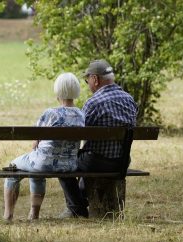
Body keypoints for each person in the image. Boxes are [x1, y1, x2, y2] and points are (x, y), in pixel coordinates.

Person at [58, 59, 138, 218]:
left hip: (97, 162)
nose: (88, 84)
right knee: (84, 157)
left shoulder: (93, 103)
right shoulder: (129, 99)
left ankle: (77, 208)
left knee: (62, 162)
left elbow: (78, 133)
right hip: (121, 162)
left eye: (87, 80)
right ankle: (82, 201)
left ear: (95, 79)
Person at [3, 73, 85, 221]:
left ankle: (8, 215)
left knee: (13, 167)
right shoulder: (81, 115)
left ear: (58, 91)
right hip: (69, 165)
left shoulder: (50, 113)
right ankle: (33, 214)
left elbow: (35, 143)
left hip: (43, 163)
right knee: (36, 168)